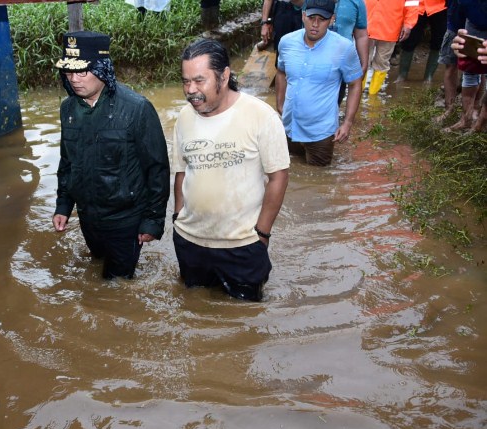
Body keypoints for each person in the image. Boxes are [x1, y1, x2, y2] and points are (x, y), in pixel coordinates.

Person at [172, 38, 289, 301]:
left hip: (243, 245)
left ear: (224, 76)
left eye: (199, 80)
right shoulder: (184, 117)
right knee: (193, 310)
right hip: (190, 242)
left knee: (244, 323)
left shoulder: (261, 116)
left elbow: (278, 176)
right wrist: (177, 215)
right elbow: (181, 170)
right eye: (185, 81)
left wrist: (262, 233)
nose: (191, 90)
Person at [52, 31, 170, 279]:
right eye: (69, 72)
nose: (74, 79)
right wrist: (63, 205)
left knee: (113, 289)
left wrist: (152, 221)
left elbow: (157, 169)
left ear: (102, 68)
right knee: (96, 267)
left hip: (124, 220)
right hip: (88, 218)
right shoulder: (68, 109)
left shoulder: (137, 109)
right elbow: (67, 162)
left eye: (82, 71)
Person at [275, 0, 364, 166]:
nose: (315, 24)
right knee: (289, 171)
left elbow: (355, 84)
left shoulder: (343, 48)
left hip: (321, 134)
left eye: (322, 19)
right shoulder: (286, 42)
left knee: (319, 179)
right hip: (289, 126)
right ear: (303, 16)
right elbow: (281, 71)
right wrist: (280, 104)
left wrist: (347, 123)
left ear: (332, 20)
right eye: (311, 17)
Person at [445, 0, 487, 132]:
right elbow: (455, 25)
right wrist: (457, 40)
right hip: (473, 22)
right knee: (469, 68)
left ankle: (480, 124)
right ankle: (466, 119)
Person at [364, 0, 419, 94]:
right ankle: (357, 93)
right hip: (365, 25)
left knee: (382, 61)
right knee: (362, 61)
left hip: (390, 27)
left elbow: (412, 4)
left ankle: (372, 94)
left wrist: (408, 24)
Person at [395, 0, 448, 83]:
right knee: (408, 40)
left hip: (440, 7)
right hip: (416, 7)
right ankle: (402, 75)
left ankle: (428, 77)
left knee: (438, 41)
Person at [331, 0, 370, 103]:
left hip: (341, 63)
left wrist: (364, 63)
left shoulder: (356, 2)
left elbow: (361, 34)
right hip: (311, 60)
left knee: (336, 101)